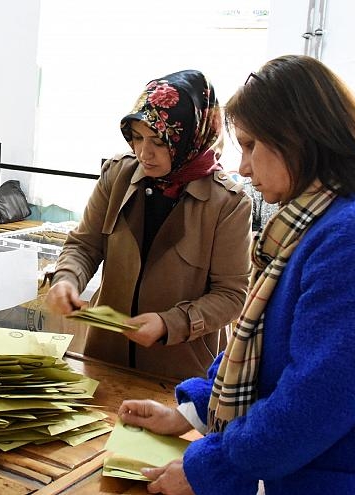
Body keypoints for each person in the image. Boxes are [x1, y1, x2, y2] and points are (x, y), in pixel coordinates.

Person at [118, 55, 355, 494]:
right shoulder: (307, 224)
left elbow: (315, 400)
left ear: (296, 139)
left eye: (250, 146)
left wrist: (214, 468)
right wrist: (191, 413)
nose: (243, 167)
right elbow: (261, 355)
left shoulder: (345, 239)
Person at [45, 70, 252, 380]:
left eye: (159, 140)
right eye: (138, 138)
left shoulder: (228, 203)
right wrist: (67, 279)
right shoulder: (118, 176)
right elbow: (84, 246)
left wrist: (170, 323)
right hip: (106, 359)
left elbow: (232, 296)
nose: (144, 152)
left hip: (179, 373)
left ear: (190, 137)